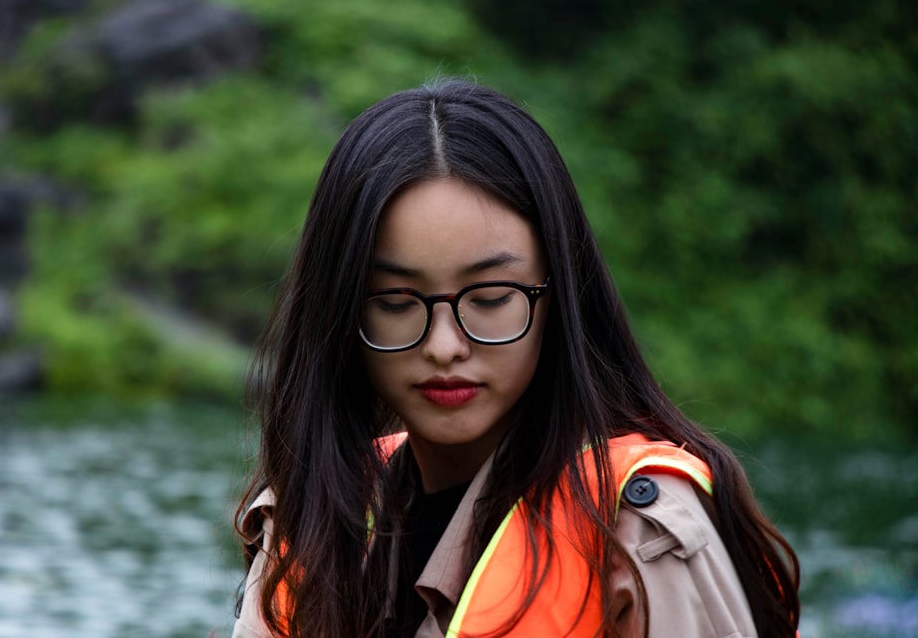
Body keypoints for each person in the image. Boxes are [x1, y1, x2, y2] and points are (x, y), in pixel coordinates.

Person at [231, 80, 800, 638]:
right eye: (396, 302)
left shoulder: (639, 528)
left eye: (491, 298)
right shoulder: (309, 518)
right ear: (339, 315)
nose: (445, 345)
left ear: (559, 297)